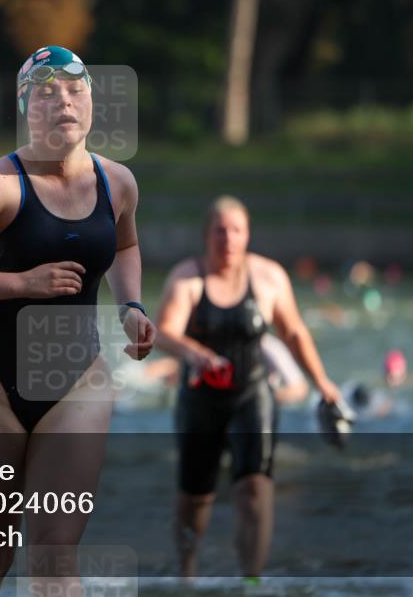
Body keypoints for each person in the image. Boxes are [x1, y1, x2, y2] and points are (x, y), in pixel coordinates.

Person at [0, 45, 155, 597]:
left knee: (54, 553)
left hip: (77, 384)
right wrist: (21, 284)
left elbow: (127, 244)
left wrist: (130, 306)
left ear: (91, 102)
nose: (62, 100)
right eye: (45, 93)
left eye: (74, 89)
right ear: (26, 110)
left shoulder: (118, 184)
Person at [155, 195, 342, 583]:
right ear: (206, 235)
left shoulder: (269, 278)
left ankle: (251, 581)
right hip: (200, 398)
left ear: (247, 234)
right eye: (220, 231)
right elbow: (165, 332)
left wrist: (321, 382)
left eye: (236, 230)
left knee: (255, 487)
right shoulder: (187, 278)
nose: (228, 239)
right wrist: (196, 353)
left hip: (251, 396)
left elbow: (293, 332)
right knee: (195, 498)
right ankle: (186, 576)